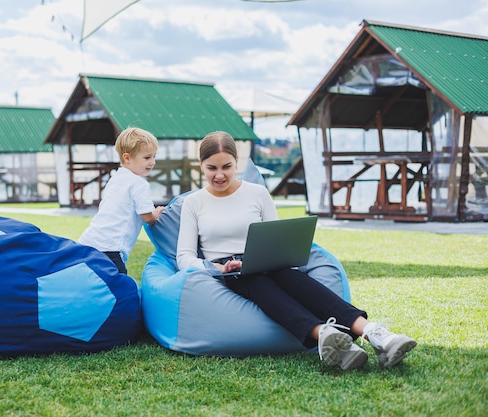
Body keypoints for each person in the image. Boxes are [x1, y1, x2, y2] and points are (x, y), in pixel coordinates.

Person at [176, 131, 416, 370]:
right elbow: (184, 256)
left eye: (226, 167)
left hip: (266, 260)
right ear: (201, 166)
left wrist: (275, 257)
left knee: (293, 277)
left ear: (236, 162)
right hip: (229, 271)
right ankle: (325, 334)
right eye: (212, 168)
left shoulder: (257, 193)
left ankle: (374, 333)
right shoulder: (193, 203)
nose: (219, 175)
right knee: (258, 283)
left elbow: (277, 236)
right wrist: (217, 267)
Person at [79, 127, 164, 275]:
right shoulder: (139, 184)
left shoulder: (116, 178)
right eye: (147, 158)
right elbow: (147, 217)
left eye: (154, 157)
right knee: (120, 287)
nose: (152, 162)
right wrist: (156, 214)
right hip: (111, 248)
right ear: (127, 158)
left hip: (89, 242)